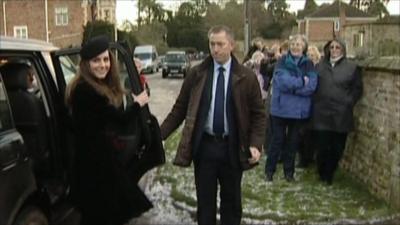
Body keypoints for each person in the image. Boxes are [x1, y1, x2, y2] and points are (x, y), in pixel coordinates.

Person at [160, 25, 266, 225]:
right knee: (205, 204)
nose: (215, 49)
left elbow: (259, 115)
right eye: (212, 44)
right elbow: (179, 110)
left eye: (220, 44)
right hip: (205, 148)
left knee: (232, 204)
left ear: (232, 45)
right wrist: (159, 135)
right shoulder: (197, 74)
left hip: (233, 148)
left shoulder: (246, 77)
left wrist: (255, 144)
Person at [65, 35, 152, 225]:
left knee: (99, 216)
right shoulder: (85, 91)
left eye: (105, 59)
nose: (102, 65)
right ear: (86, 64)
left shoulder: (90, 87)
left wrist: (134, 79)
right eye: (96, 60)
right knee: (103, 216)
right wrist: (138, 104)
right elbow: (120, 119)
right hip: (95, 168)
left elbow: (112, 105)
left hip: (96, 162)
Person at [265, 34, 318, 182]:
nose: (295, 46)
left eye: (299, 44)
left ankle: (289, 173)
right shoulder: (282, 61)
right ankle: (269, 171)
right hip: (280, 108)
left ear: (304, 47)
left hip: (298, 111)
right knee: (277, 141)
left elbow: (312, 86)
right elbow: (281, 82)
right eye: (293, 44)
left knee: (292, 143)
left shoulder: (308, 64)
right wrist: (301, 81)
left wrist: (293, 89)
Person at [312, 38, 363, 185]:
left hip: (341, 114)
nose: (334, 50)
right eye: (332, 47)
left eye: (337, 47)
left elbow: (357, 89)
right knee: (321, 146)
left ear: (343, 50)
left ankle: (329, 174)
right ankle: (322, 173)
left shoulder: (351, 67)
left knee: (337, 147)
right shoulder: (320, 66)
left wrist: (349, 102)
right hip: (322, 113)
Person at [296, 44, 322, 168]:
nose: (310, 58)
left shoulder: (318, 69)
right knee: (301, 132)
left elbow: (313, 87)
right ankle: (303, 158)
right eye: (308, 56)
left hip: (315, 104)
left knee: (312, 133)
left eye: (312, 56)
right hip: (303, 104)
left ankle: (310, 157)